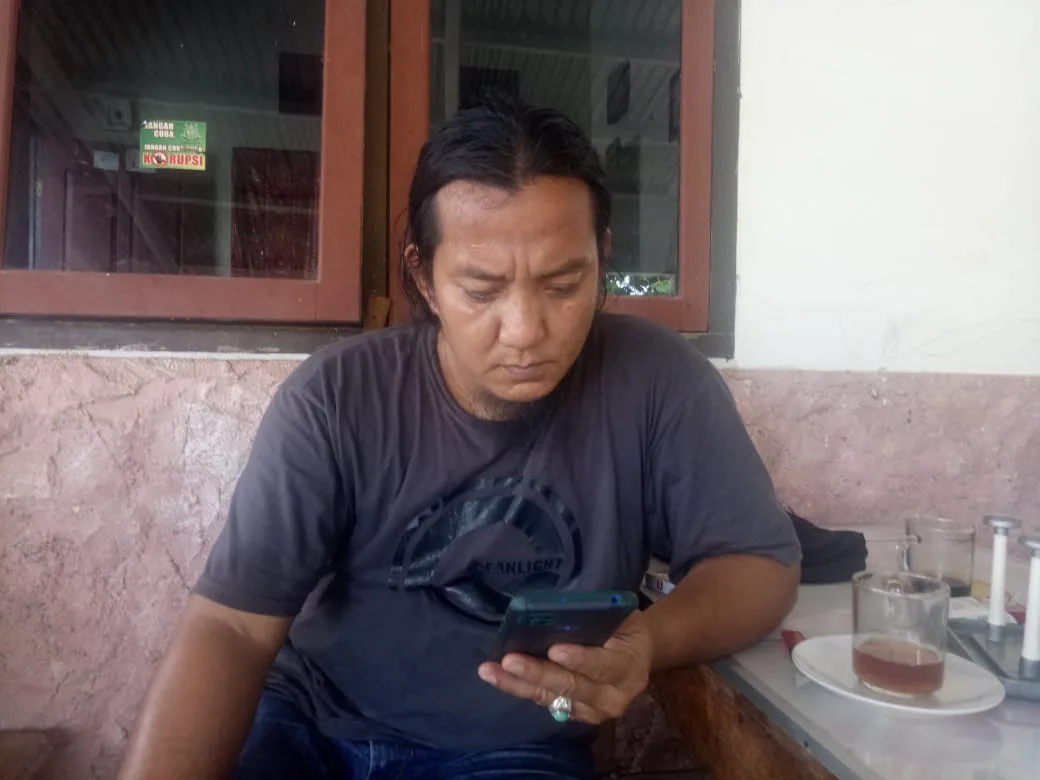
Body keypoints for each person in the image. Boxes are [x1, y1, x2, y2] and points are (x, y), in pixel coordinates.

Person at [118, 97, 801, 780]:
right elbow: (233, 627)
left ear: (603, 258)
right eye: (481, 290)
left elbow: (758, 563)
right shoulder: (336, 399)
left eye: (564, 285)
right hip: (314, 719)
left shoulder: (657, 381)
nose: (525, 330)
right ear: (424, 277)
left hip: (511, 749)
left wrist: (646, 641)